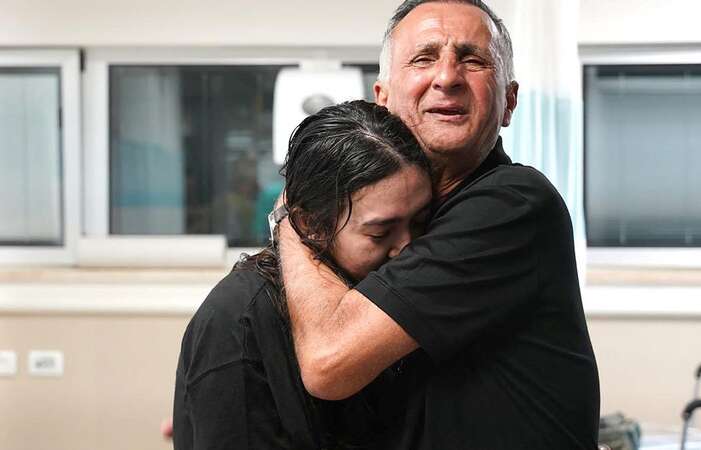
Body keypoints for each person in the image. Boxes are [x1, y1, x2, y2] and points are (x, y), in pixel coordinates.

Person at [276, 1, 601, 449]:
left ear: (509, 102)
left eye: (473, 60)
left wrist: (290, 221)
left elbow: (330, 361)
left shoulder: (511, 204)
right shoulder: (402, 221)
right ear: (382, 98)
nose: (447, 77)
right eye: (424, 58)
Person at [172, 100, 432, 450]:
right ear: (310, 224)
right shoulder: (238, 322)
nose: (407, 246)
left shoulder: (379, 293)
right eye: (379, 233)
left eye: (419, 221)